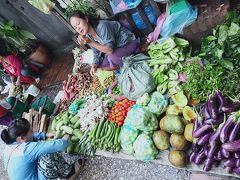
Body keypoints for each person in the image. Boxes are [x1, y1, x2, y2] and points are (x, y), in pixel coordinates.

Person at [1, 118, 84, 180]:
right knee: (48, 154)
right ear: (22, 138)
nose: (33, 132)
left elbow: (31, 137)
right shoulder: (26, 150)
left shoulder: (10, 143)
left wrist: (44, 135)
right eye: (31, 131)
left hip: (30, 175)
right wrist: (67, 135)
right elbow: (59, 145)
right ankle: (69, 173)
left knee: (43, 151)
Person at [69, 11, 139, 76]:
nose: (78, 28)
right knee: (100, 64)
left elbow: (110, 50)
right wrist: (94, 64)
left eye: (78, 24)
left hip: (128, 43)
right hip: (117, 48)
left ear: (86, 19)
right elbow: (96, 52)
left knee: (112, 58)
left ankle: (129, 64)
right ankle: (122, 64)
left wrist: (90, 42)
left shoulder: (102, 26)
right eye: (75, 27)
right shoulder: (88, 36)